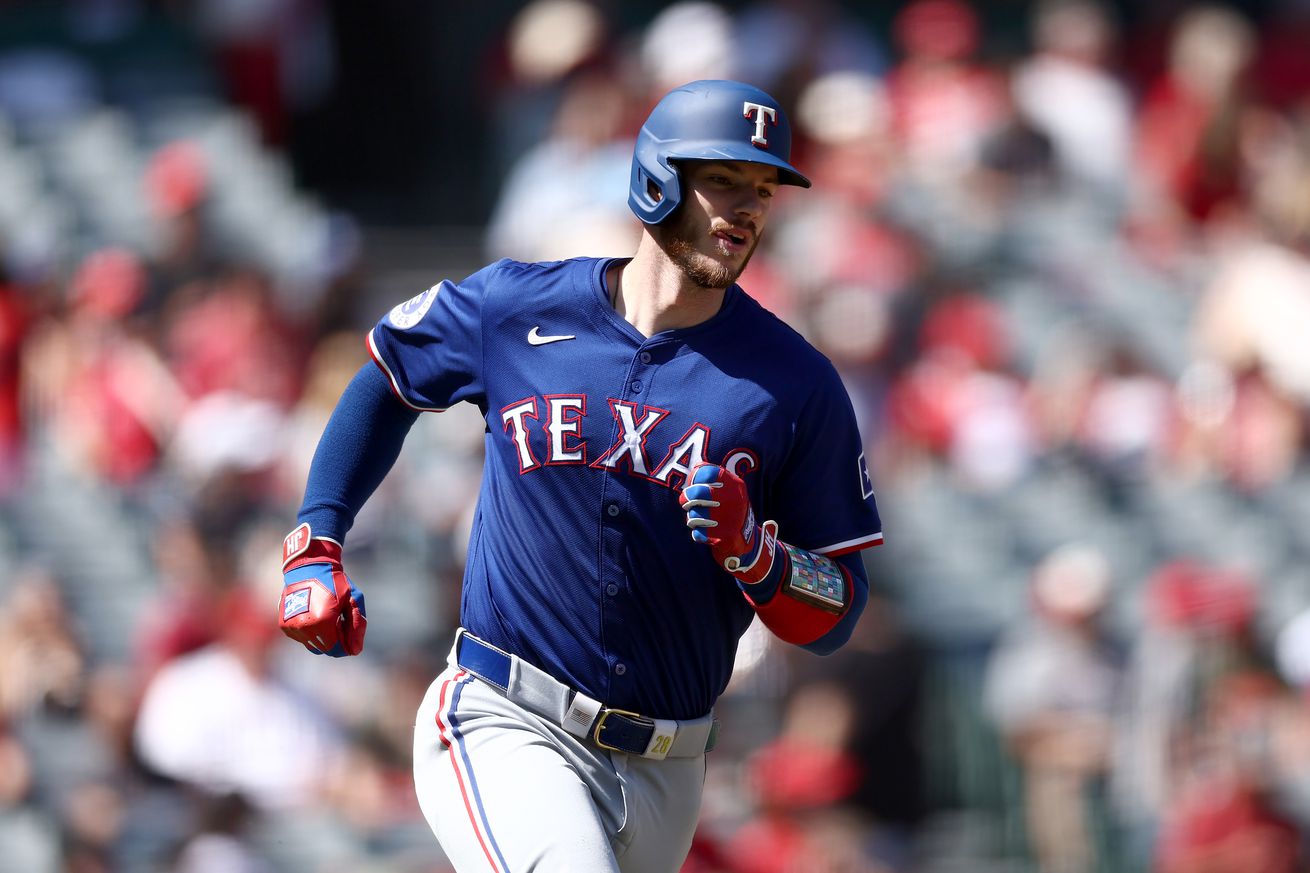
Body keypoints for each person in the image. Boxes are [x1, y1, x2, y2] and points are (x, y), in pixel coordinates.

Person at [276, 79, 885, 873]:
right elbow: (386, 378)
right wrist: (317, 536)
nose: (746, 208)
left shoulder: (794, 384)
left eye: (764, 188)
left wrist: (761, 559)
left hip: (669, 767)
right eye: (725, 180)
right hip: (507, 716)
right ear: (658, 180)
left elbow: (839, 603)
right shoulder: (516, 308)